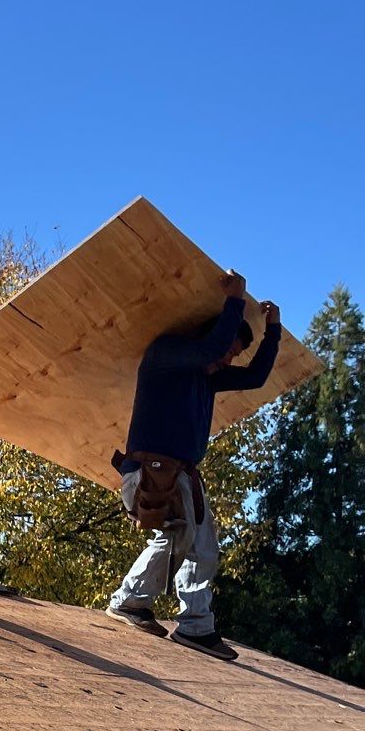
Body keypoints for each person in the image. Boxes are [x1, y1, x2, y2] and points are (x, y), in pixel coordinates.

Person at [106, 270, 281, 660]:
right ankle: (196, 627)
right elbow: (209, 349)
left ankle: (130, 601)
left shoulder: (207, 379)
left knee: (173, 539)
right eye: (227, 351)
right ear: (207, 339)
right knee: (202, 547)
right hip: (152, 472)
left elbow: (254, 377)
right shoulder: (166, 356)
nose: (227, 360)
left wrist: (273, 332)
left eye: (233, 355)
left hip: (172, 475)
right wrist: (235, 300)